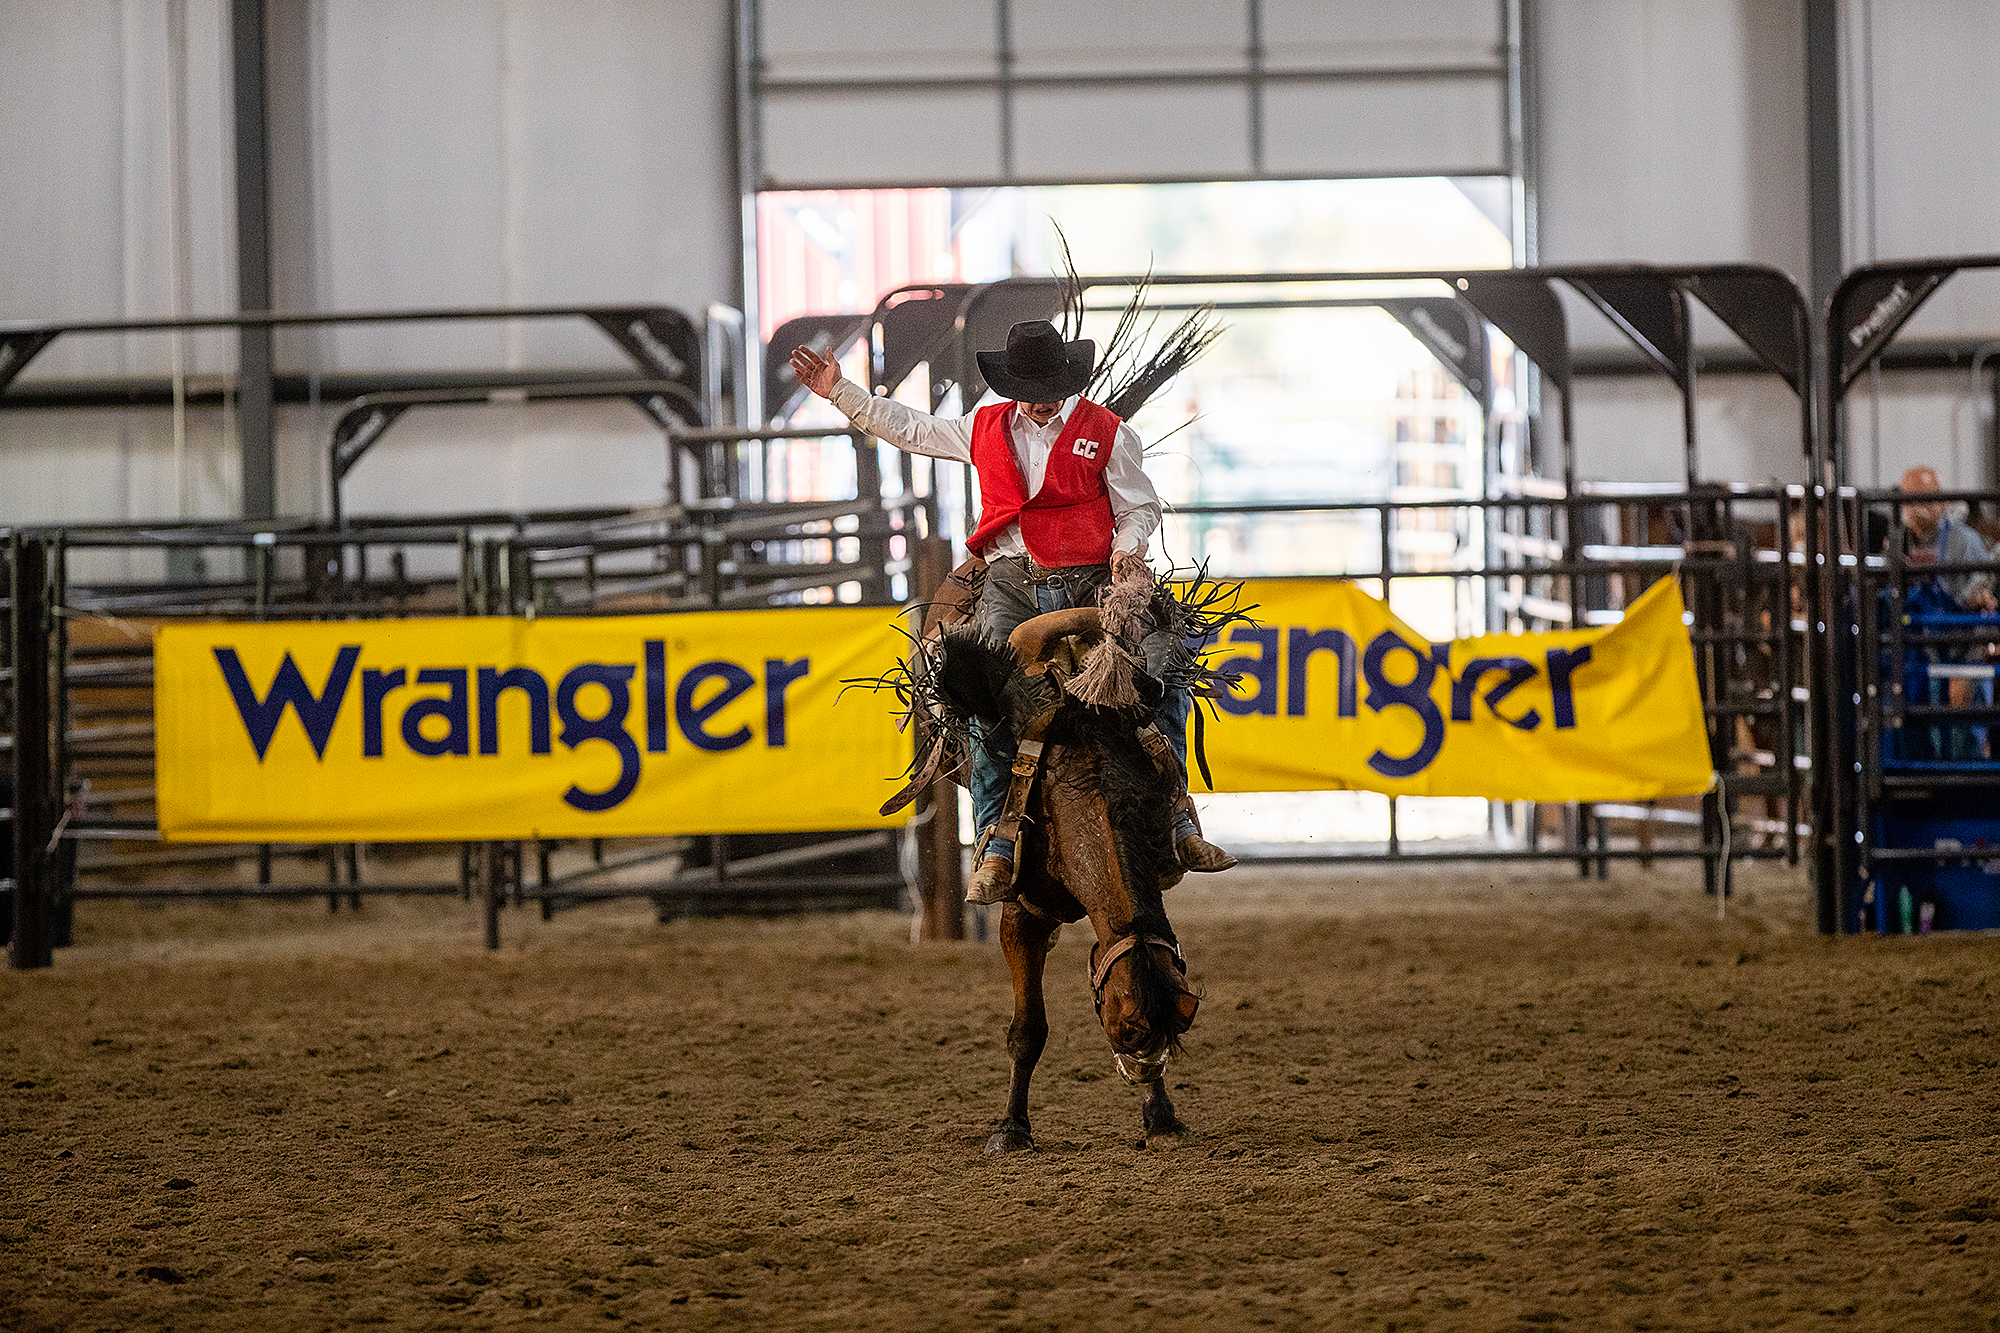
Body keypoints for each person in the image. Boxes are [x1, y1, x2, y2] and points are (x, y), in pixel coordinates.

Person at [789, 319, 1235, 904]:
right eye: (1030, 386)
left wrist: (1127, 554)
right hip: (1010, 580)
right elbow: (913, 429)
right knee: (986, 692)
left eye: (1048, 385)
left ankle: (1178, 818)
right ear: (1014, 384)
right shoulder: (986, 427)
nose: (1041, 398)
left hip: (1095, 583)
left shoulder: (1107, 432)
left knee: (1161, 669)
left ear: (1068, 379)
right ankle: (996, 842)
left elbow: (1138, 506)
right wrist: (840, 394)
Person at [1899, 465, 1997, 758]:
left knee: (1964, 755)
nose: (1918, 507)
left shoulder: (1964, 542)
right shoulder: (1897, 545)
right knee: (1922, 757)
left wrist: (1967, 673)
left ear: (1940, 500)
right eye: (1911, 498)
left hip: (1959, 668)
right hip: (1918, 671)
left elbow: (1986, 612)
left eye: (1926, 497)